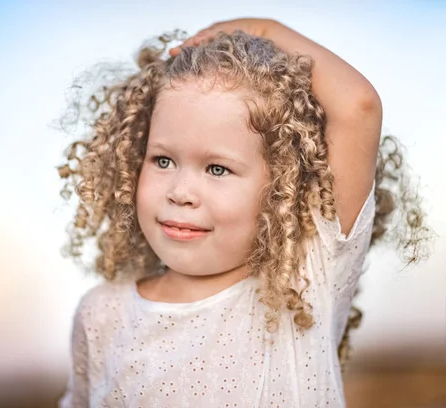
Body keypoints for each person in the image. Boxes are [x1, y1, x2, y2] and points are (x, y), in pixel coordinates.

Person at [56, 18, 432, 407]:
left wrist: (265, 30)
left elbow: (358, 107)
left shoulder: (304, 286)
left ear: (286, 188)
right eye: (163, 160)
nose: (180, 192)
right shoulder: (102, 314)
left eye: (217, 169)